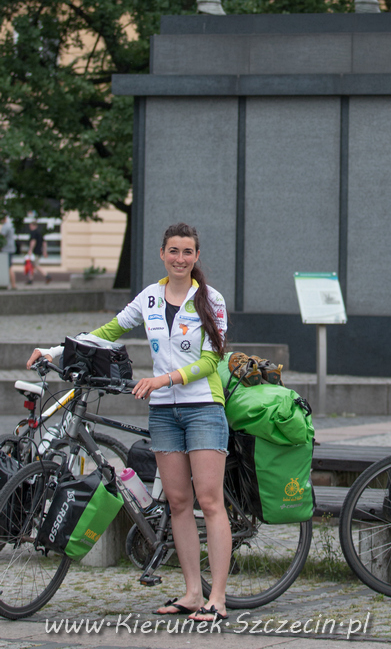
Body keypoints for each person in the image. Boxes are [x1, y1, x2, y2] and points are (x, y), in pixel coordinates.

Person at [27, 221, 232, 621]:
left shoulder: (211, 299)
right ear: (162, 254)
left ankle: (217, 598)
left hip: (203, 405)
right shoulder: (151, 298)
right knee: (177, 502)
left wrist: (162, 379)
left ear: (197, 256)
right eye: (173, 251)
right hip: (164, 412)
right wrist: (52, 350)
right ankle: (192, 593)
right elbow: (106, 332)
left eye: (187, 252)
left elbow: (212, 360)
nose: (180, 258)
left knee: (209, 501)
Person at [26, 217, 51, 284]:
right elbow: (44, 243)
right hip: (39, 251)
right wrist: (45, 251)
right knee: (32, 266)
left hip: (35, 252)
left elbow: (33, 241)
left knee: (36, 265)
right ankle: (30, 279)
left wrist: (30, 250)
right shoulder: (40, 233)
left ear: (33, 225)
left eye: (30, 225)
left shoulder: (33, 233)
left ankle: (46, 275)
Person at [0, 214, 16, 290]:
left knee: (9, 267)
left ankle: (13, 285)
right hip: (10, 249)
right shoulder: (10, 225)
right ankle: (12, 284)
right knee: (9, 267)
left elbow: (1, 237)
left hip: (6, 249)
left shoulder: (5, 227)